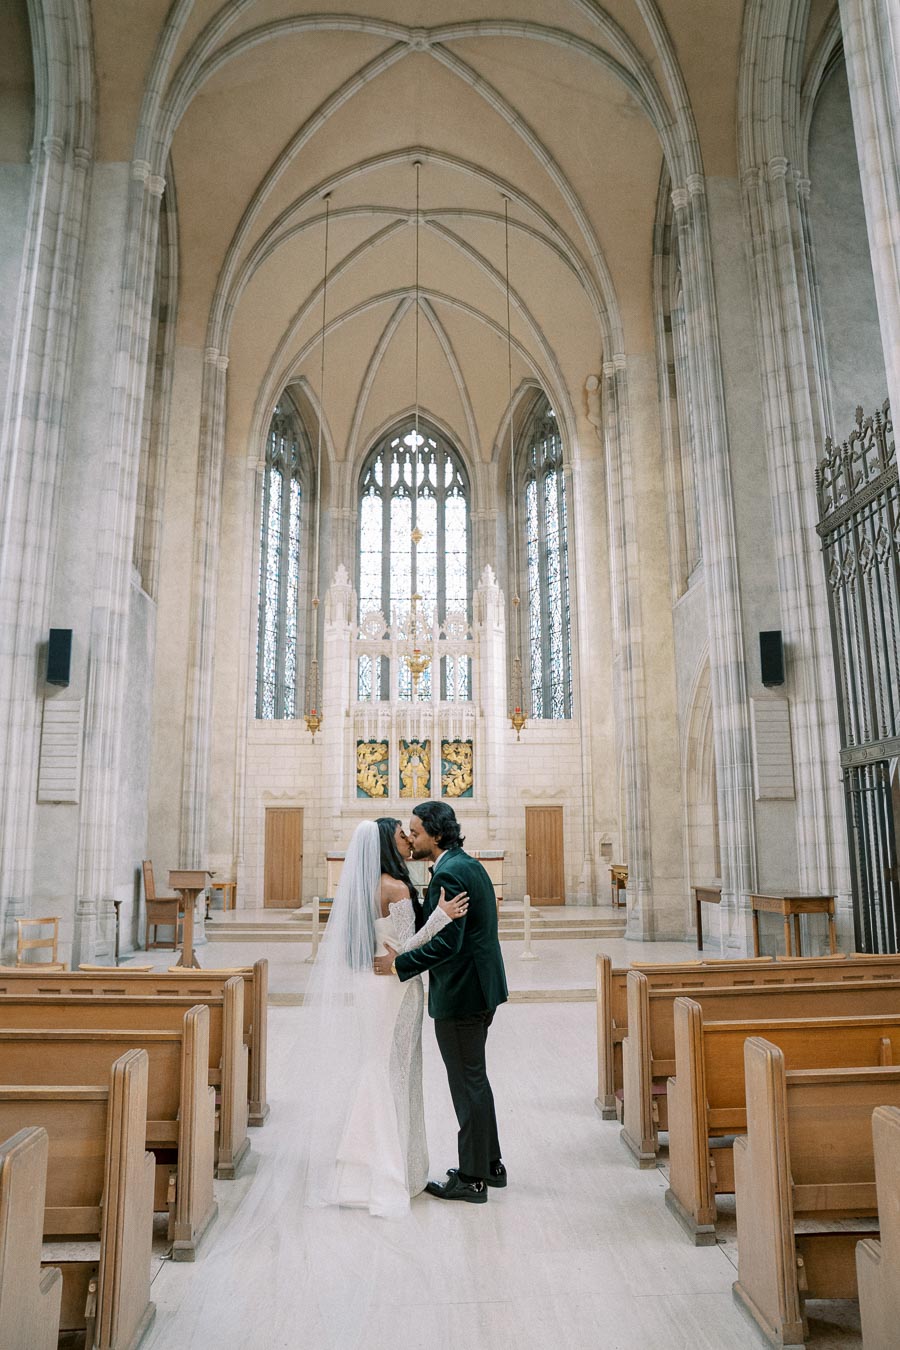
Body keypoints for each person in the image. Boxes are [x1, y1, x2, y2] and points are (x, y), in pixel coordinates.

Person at [302, 817, 468, 1218]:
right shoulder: (394, 887)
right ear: (386, 844)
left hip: (367, 987)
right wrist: (441, 917)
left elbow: (379, 944)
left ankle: (359, 1170)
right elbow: (406, 949)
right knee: (395, 1073)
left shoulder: (360, 888)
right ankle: (391, 1171)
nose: (409, 838)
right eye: (402, 835)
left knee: (375, 1067)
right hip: (395, 988)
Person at [374, 800, 508, 1203]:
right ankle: (490, 1165)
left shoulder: (450, 872)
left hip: (463, 993)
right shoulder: (464, 864)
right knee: (475, 1079)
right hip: (478, 988)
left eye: (415, 831)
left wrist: (400, 965)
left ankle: (472, 1179)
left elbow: (447, 944)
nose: (411, 838)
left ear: (436, 833)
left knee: (467, 1084)